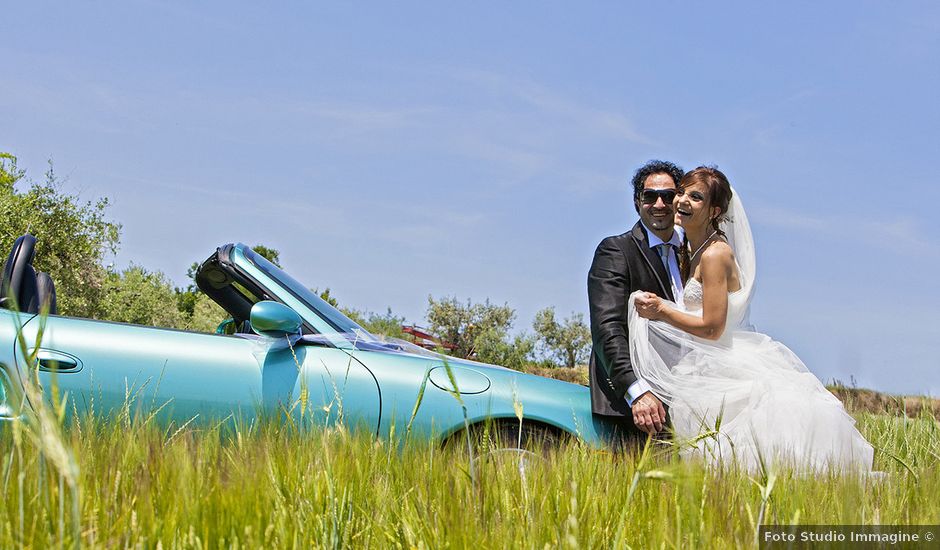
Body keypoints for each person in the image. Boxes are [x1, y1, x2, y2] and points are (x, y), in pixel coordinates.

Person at [631, 166, 874, 472]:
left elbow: (712, 327)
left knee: (741, 456)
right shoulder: (690, 250)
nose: (681, 201)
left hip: (724, 361)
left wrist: (662, 311)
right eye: (681, 192)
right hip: (702, 363)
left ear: (714, 210)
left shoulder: (714, 255)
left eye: (695, 197)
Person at [588, 160, 685, 439]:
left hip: (687, 392)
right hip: (638, 405)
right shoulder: (616, 251)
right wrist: (637, 390)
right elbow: (607, 329)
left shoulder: (696, 252)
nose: (659, 203)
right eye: (649, 196)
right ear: (636, 202)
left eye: (668, 196)